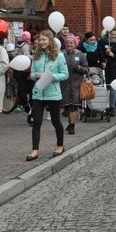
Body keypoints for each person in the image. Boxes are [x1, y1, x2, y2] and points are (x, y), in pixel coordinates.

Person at [26, 30, 69, 161]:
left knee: (56, 121)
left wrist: (49, 77)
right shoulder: (37, 56)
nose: (42, 42)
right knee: (36, 121)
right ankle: (35, 150)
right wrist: (36, 76)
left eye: (44, 40)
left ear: (50, 41)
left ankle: (60, 145)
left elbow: (65, 74)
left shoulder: (59, 56)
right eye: (40, 40)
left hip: (53, 94)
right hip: (38, 93)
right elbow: (32, 74)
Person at [60, 34, 89, 135]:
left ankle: (72, 126)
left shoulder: (80, 55)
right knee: (67, 106)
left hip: (76, 83)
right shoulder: (61, 54)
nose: (69, 44)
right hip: (64, 83)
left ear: (75, 44)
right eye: (67, 42)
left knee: (74, 105)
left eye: (71, 42)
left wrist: (79, 68)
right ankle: (70, 122)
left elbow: (86, 70)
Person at [100, 29, 116, 116]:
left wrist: (113, 55)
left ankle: (112, 107)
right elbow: (100, 54)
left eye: (114, 34)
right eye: (111, 34)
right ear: (108, 34)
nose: (113, 36)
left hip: (114, 68)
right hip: (105, 67)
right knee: (106, 87)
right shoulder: (102, 42)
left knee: (113, 87)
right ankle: (105, 106)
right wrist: (105, 54)